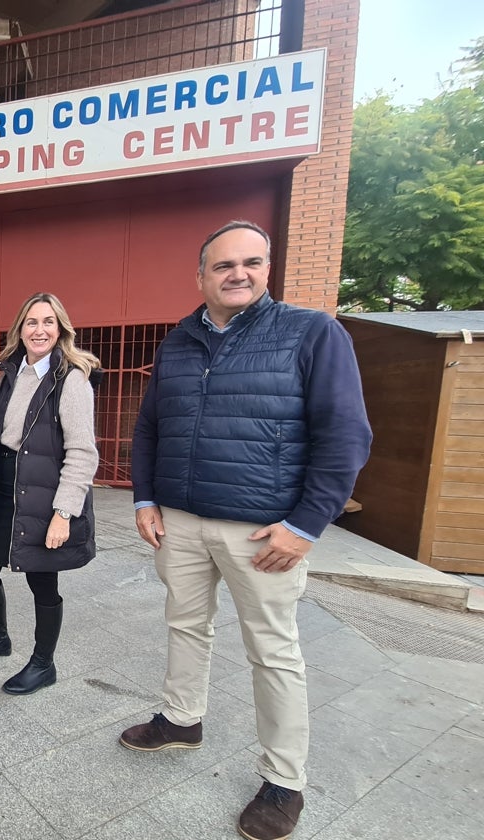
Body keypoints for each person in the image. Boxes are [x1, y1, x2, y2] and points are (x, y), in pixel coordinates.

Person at [120, 221, 372, 840]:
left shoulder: (312, 333)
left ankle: (284, 780)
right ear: (200, 276)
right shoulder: (179, 340)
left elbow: (345, 436)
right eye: (224, 265)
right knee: (185, 624)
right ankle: (182, 720)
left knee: (274, 651)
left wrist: (306, 525)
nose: (239, 273)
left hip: (264, 533)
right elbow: (151, 426)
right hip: (179, 521)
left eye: (252, 262)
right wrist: (146, 498)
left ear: (267, 269)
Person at [0, 292, 101, 695]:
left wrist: (63, 513)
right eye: (31, 322)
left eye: (48, 322)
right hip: (1, 486)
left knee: (42, 582)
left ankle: (43, 664)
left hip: (43, 494)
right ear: (20, 330)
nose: (39, 330)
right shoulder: (9, 374)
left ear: (60, 330)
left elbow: (82, 452)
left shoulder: (71, 379)